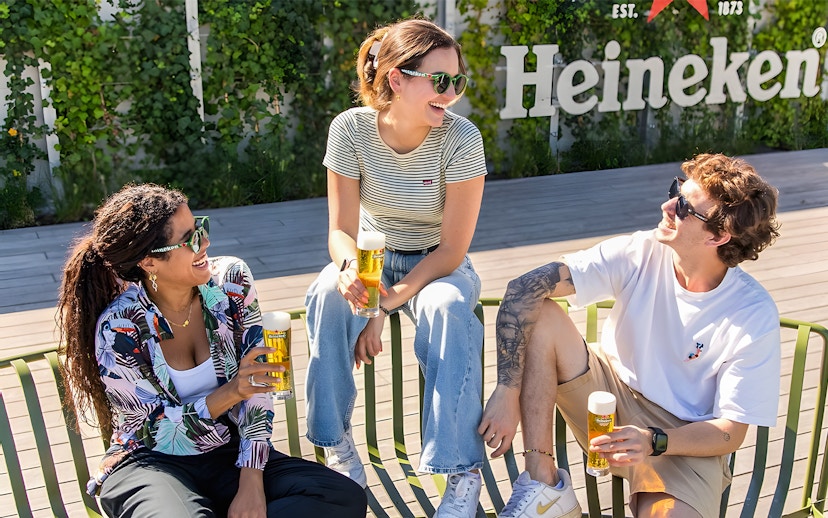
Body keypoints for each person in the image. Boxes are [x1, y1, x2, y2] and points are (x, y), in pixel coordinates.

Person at [478, 154, 781, 518]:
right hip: (605, 395)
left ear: (717, 236)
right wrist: (506, 391)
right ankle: (545, 488)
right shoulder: (639, 251)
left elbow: (730, 432)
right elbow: (523, 288)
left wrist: (654, 441)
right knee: (541, 311)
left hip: (682, 437)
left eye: (684, 206)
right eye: (675, 191)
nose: (667, 205)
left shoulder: (752, 313)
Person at [57, 184, 367, 518]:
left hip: (227, 448)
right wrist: (232, 392)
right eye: (190, 239)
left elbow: (258, 390)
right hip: (150, 460)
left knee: (341, 497)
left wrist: (251, 481)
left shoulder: (231, 282)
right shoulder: (120, 327)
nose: (205, 243)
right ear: (149, 261)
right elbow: (155, 430)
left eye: (201, 228)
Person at [303, 17, 488, 518]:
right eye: (439, 80)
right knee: (325, 294)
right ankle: (336, 446)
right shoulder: (350, 129)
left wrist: (383, 304)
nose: (450, 94)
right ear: (396, 78)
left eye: (457, 82)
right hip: (370, 253)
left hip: (438, 264)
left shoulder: (461, 139)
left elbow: (451, 251)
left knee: (450, 307)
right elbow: (339, 230)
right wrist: (350, 272)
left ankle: (460, 473)